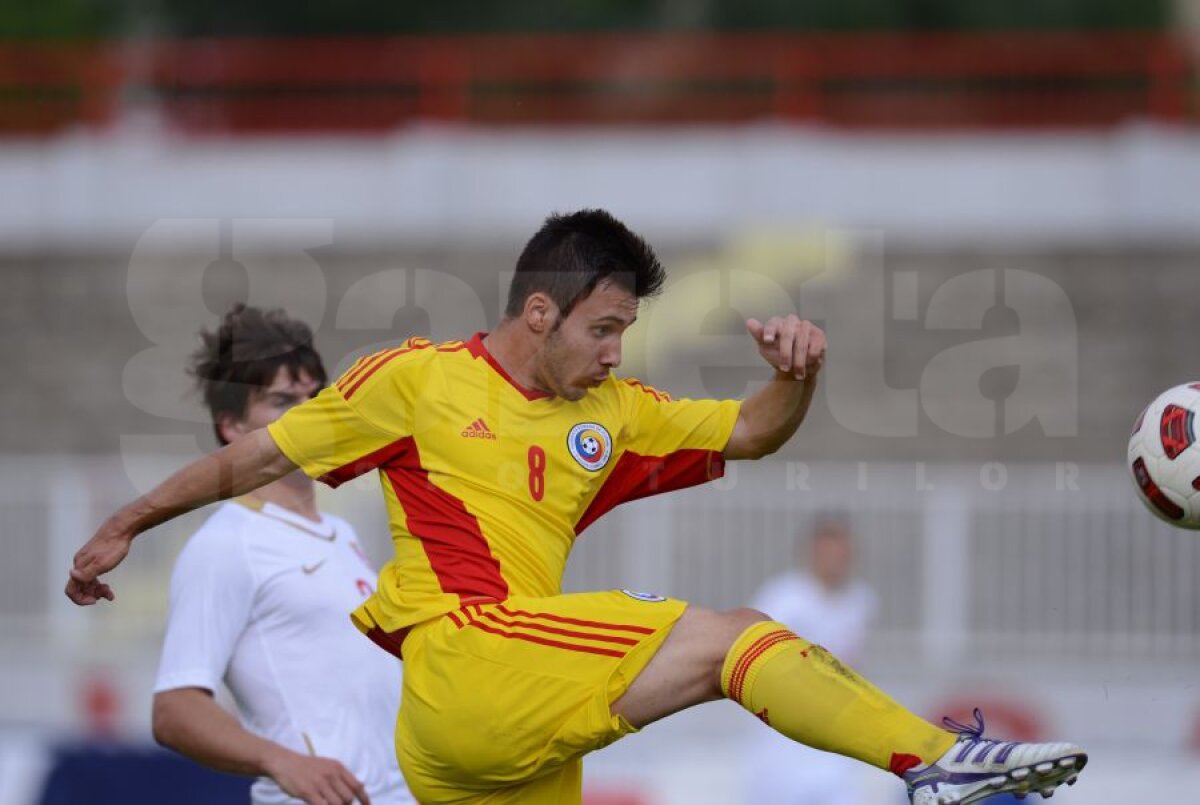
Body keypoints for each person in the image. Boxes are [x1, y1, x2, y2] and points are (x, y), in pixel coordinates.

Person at [68, 210, 1087, 805]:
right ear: (540, 311)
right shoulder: (416, 382)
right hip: (464, 663)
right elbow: (251, 461)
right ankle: (939, 760)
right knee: (736, 637)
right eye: (603, 328)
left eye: (626, 331)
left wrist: (799, 379)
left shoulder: (615, 412)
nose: (615, 352)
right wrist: (126, 522)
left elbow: (747, 430)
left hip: (496, 739)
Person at [149, 305, 412, 805]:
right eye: (283, 402)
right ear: (231, 427)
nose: (309, 415)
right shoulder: (228, 543)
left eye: (316, 398)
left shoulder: (341, 531)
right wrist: (281, 760)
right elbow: (174, 708)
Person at [744, 516, 877, 805]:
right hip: (784, 740)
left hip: (835, 738)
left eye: (843, 553)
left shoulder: (861, 600)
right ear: (812, 552)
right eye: (829, 552)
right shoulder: (783, 598)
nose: (837, 560)